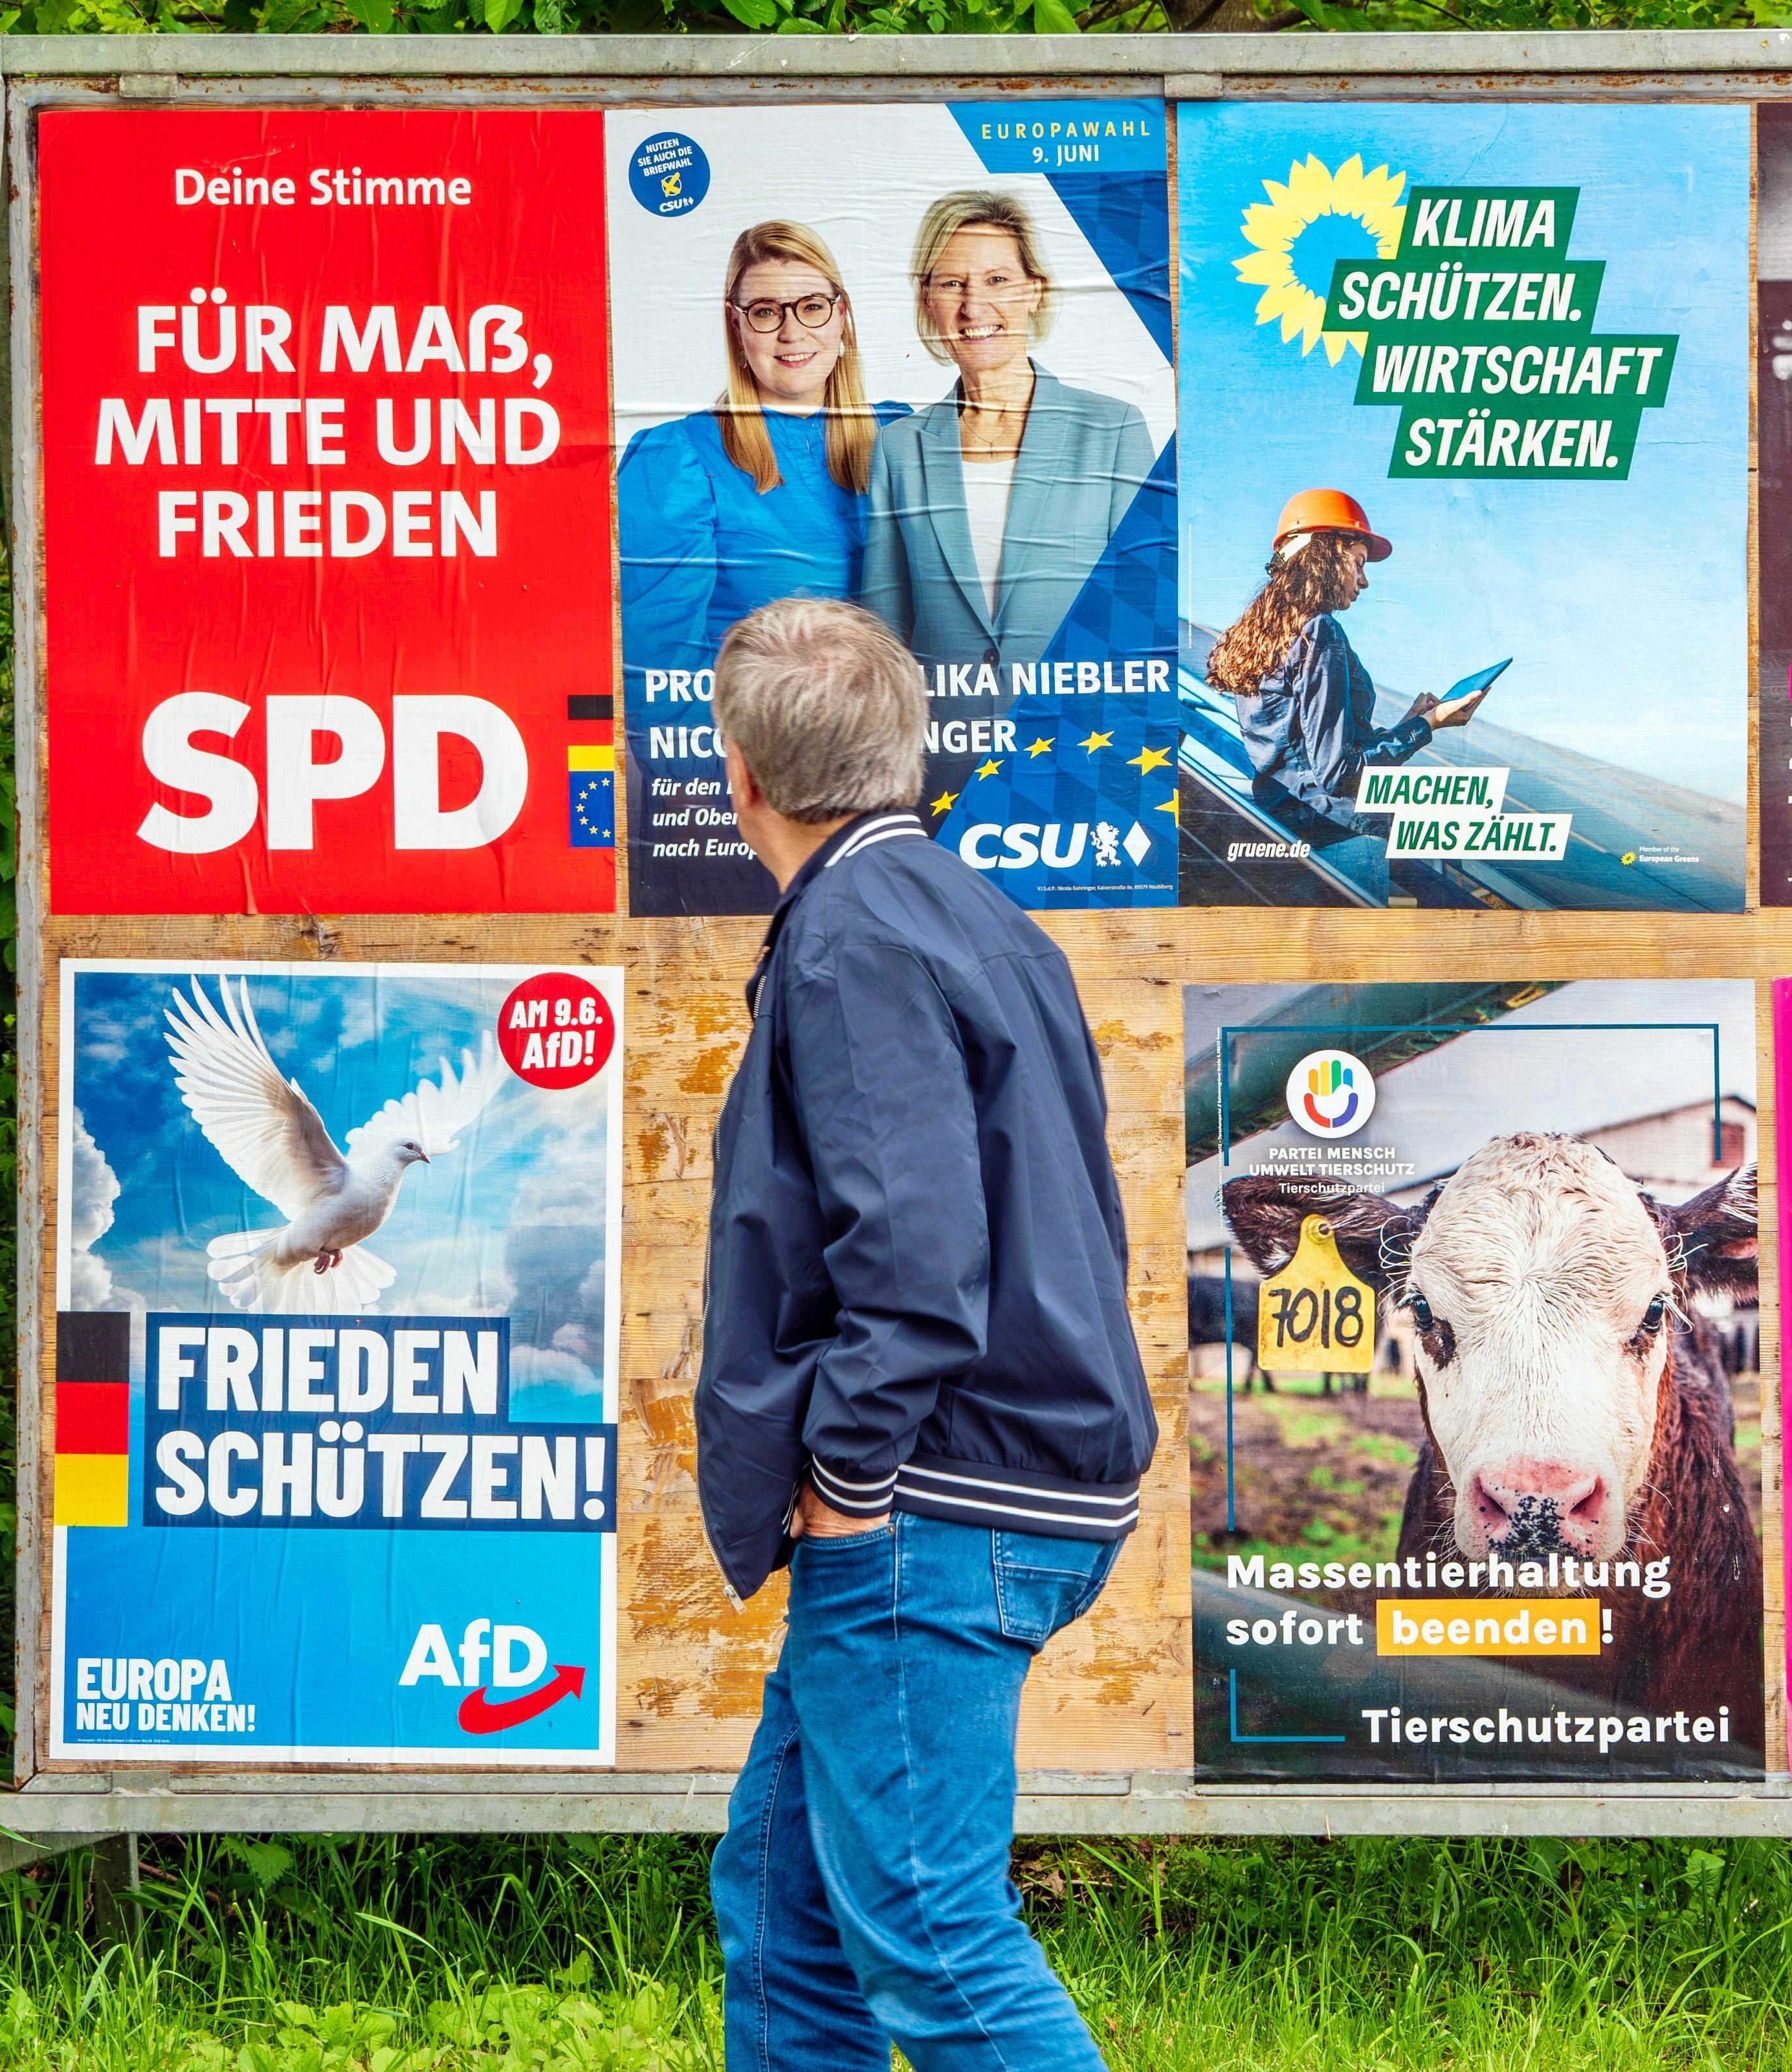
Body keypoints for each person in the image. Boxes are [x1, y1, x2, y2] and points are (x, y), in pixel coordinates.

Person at [694, 595, 1156, 2072]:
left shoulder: (853, 933)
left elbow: (916, 1253)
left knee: (935, 1939)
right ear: (908, 753)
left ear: (740, 776)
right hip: (988, 1483)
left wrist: (844, 1476)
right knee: (784, 1904)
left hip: (933, 1500)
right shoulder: (968, 912)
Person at [620, 221, 903, 913]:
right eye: (764, 312)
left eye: (810, 306)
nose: (790, 333)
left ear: (842, 317)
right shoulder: (678, 457)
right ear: (736, 327)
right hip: (761, 805)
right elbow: (659, 677)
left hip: (901, 789)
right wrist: (775, 799)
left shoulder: (905, 437)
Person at [859, 190, 1156, 812]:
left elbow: (1135, 614)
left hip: (1083, 750)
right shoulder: (897, 449)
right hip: (939, 767)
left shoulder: (1113, 430)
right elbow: (884, 635)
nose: (975, 305)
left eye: (997, 278)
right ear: (928, 300)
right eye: (952, 283)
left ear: (1035, 291)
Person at [1202, 489, 1487, 904]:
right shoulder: (1319, 631)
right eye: (1358, 563)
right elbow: (1339, 772)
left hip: (1288, 831)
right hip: (1342, 837)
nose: (1365, 580)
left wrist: (1411, 721)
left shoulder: (1258, 637)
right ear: (1324, 556)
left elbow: (1308, 755)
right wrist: (1431, 724)